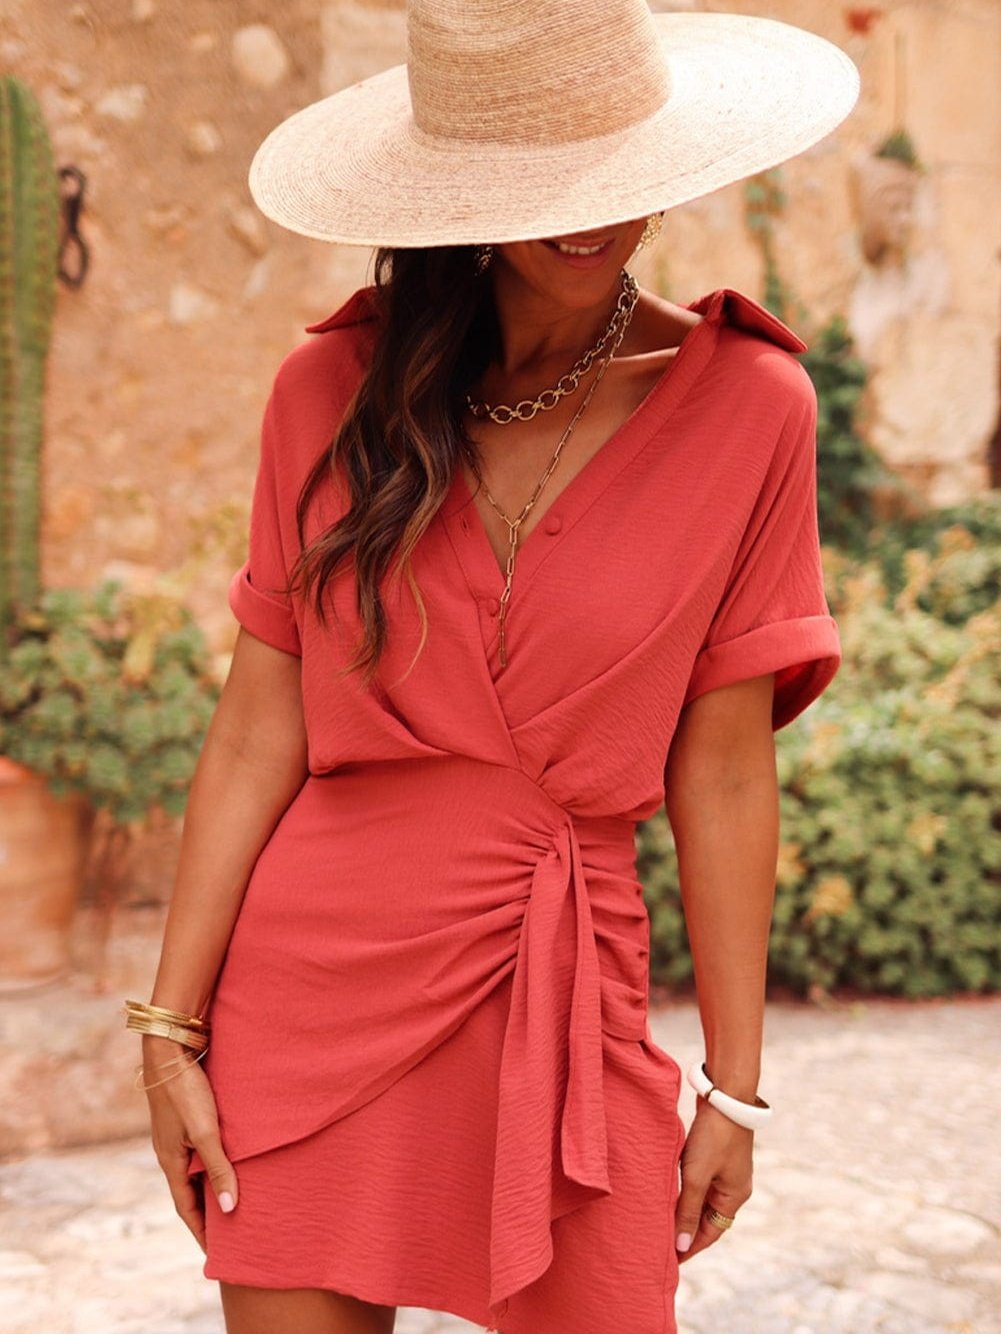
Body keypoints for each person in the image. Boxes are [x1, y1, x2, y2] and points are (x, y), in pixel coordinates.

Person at [127, 3, 858, 1332]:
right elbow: (255, 725)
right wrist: (168, 1029)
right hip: (314, 987)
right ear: (456, 189)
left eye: (618, 175)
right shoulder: (330, 390)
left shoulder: (753, 407)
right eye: (541, 183)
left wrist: (734, 1086)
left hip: (568, 979)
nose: (590, 218)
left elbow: (726, 765)